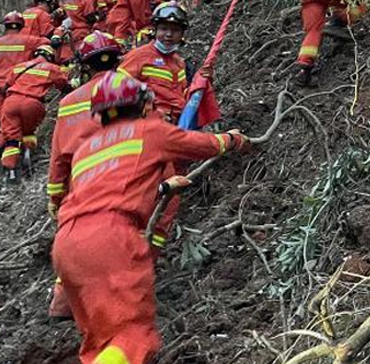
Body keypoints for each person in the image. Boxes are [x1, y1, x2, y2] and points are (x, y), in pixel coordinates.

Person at [51, 75, 249, 364]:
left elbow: (106, 189)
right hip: (111, 238)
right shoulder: (148, 130)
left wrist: (164, 188)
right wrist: (232, 139)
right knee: (132, 337)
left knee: (100, 341)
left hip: (66, 245)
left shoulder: (85, 149)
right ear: (144, 104)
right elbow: (203, 144)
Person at [47, 31, 125, 320]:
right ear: (117, 61)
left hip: (80, 186)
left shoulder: (68, 104)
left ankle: (62, 305)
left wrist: (56, 198)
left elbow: (58, 160)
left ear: (85, 66)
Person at [0, 12, 50, 161]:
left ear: (5, 26)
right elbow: (47, 45)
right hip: (15, 88)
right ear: (21, 25)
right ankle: (17, 154)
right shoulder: (29, 41)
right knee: (14, 122)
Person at [0, 44, 70, 180]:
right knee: (28, 133)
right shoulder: (52, 68)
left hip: (11, 102)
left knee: (11, 139)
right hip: (33, 103)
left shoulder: (20, 66)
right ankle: (28, 160)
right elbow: (63, 86)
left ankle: (10, 172)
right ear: (50, 57)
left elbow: (6, 86)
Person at [117, 2, 191, 122]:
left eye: (175, 30)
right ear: (155, 30)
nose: (168, 35)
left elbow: (181, 96)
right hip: (147, 125)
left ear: (182, 34)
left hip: (176, 125)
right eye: (163, 29)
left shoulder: (180, 63)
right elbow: (117, 89)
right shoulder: (139, 56)